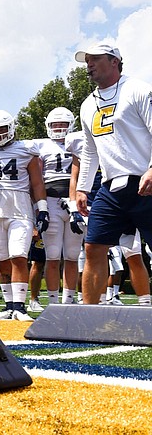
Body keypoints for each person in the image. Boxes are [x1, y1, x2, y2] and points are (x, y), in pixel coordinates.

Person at [73, 43, 152, 304]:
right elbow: (90, 150)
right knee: (94, 247)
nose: (89, 64)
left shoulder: (138, 90)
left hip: (145, 180)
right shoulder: (87, 105)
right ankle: (89, 316)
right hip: (111, 189)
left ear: (115, 61)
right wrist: (82, 188)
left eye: (95, 59)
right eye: (87, 60)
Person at [0, 109, 48, 321]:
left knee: (19, 257)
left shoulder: (26, 150)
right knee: (2, 261)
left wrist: (42, 209)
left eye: (1, 129)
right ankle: (8, 305)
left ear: (11, 128)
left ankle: (20, 307)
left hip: (20, 208)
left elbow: (37, 183)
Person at [32, 107, 82, 309]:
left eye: (63, 124)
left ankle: (68, 302)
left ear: (71, 124)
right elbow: (36, 180)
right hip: (51, 202)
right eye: (55, 125)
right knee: (52, 256)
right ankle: (53, 303)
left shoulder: (80, 141)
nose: (59, 128)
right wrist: (38, 208)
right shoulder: (40, 146)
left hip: (75, 202)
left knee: (72, 255)